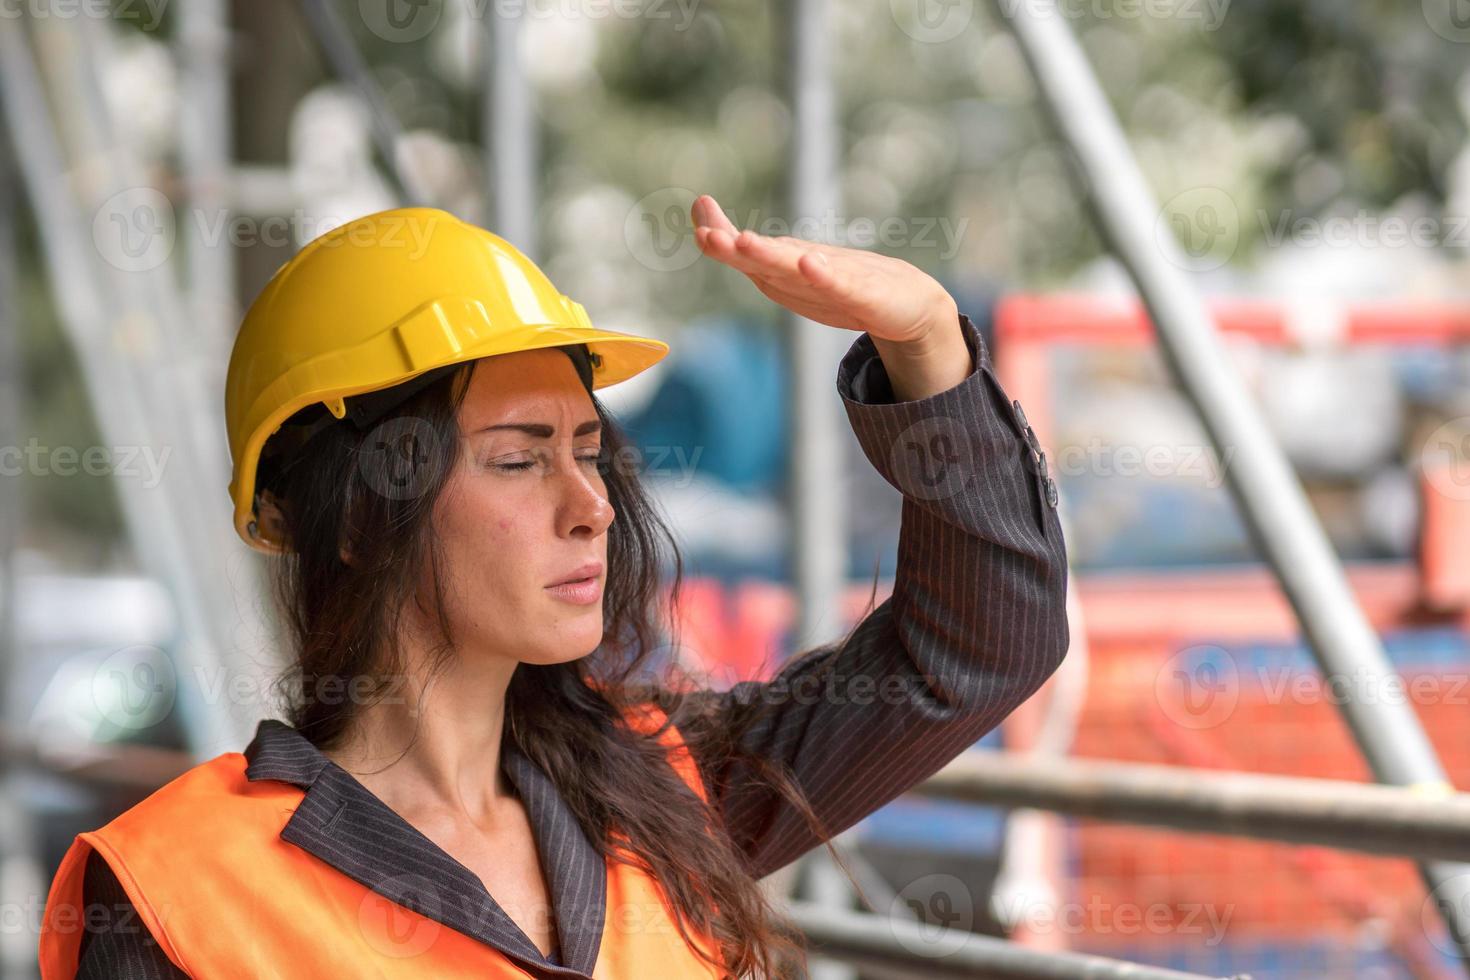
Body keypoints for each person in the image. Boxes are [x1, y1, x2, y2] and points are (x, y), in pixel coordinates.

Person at [38, 197, 1069, 979]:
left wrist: (927, 342)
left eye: (589, 450)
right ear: (358, 516)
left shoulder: (664, 786)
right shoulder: (175, 891)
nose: (594, 506)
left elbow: (979, 643)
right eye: (520, 459)